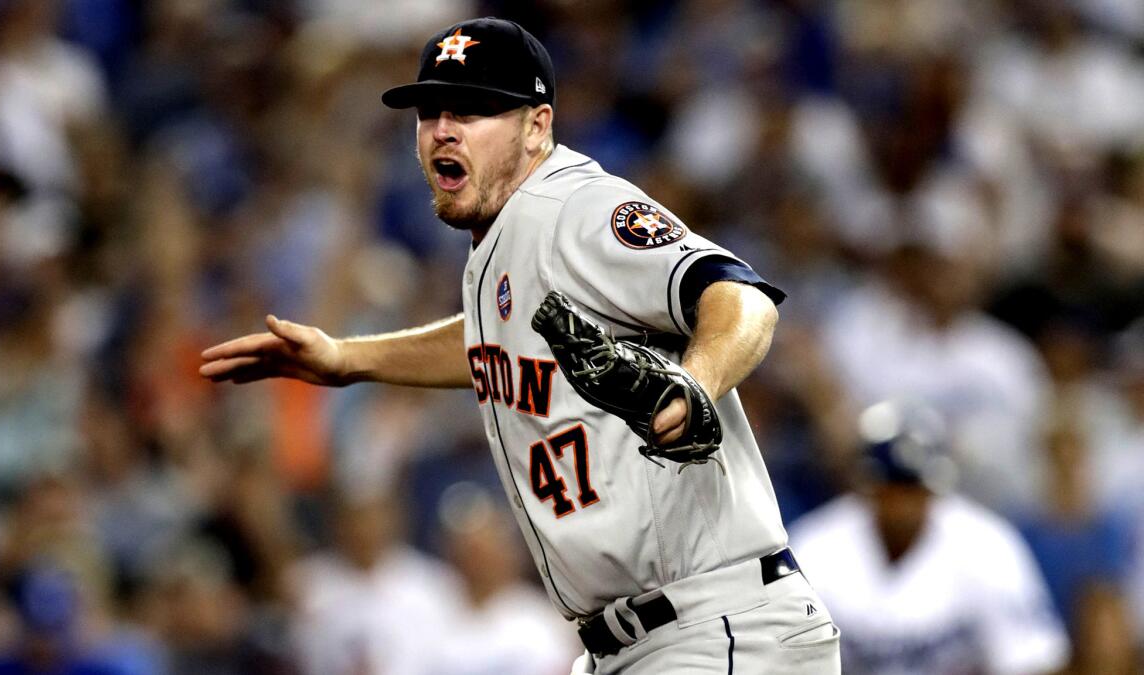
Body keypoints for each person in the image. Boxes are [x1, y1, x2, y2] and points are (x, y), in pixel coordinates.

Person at [201, 17, 839, 673]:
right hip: (635, 643)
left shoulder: (576, 209)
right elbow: (490, 343)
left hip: (713, 629)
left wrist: (695, 385)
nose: (442, 130)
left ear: (537, 125)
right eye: (430, 113)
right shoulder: (501, 243)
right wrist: (349, 358)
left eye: (473, 110)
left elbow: (740, 298)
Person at [788, 400, 1071, 674]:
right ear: (868, 487)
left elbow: (1034, 660)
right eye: (892, 488)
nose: (902, 505)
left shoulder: (987, 547)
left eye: (913, 488)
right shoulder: (814, 549)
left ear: (934, 488)